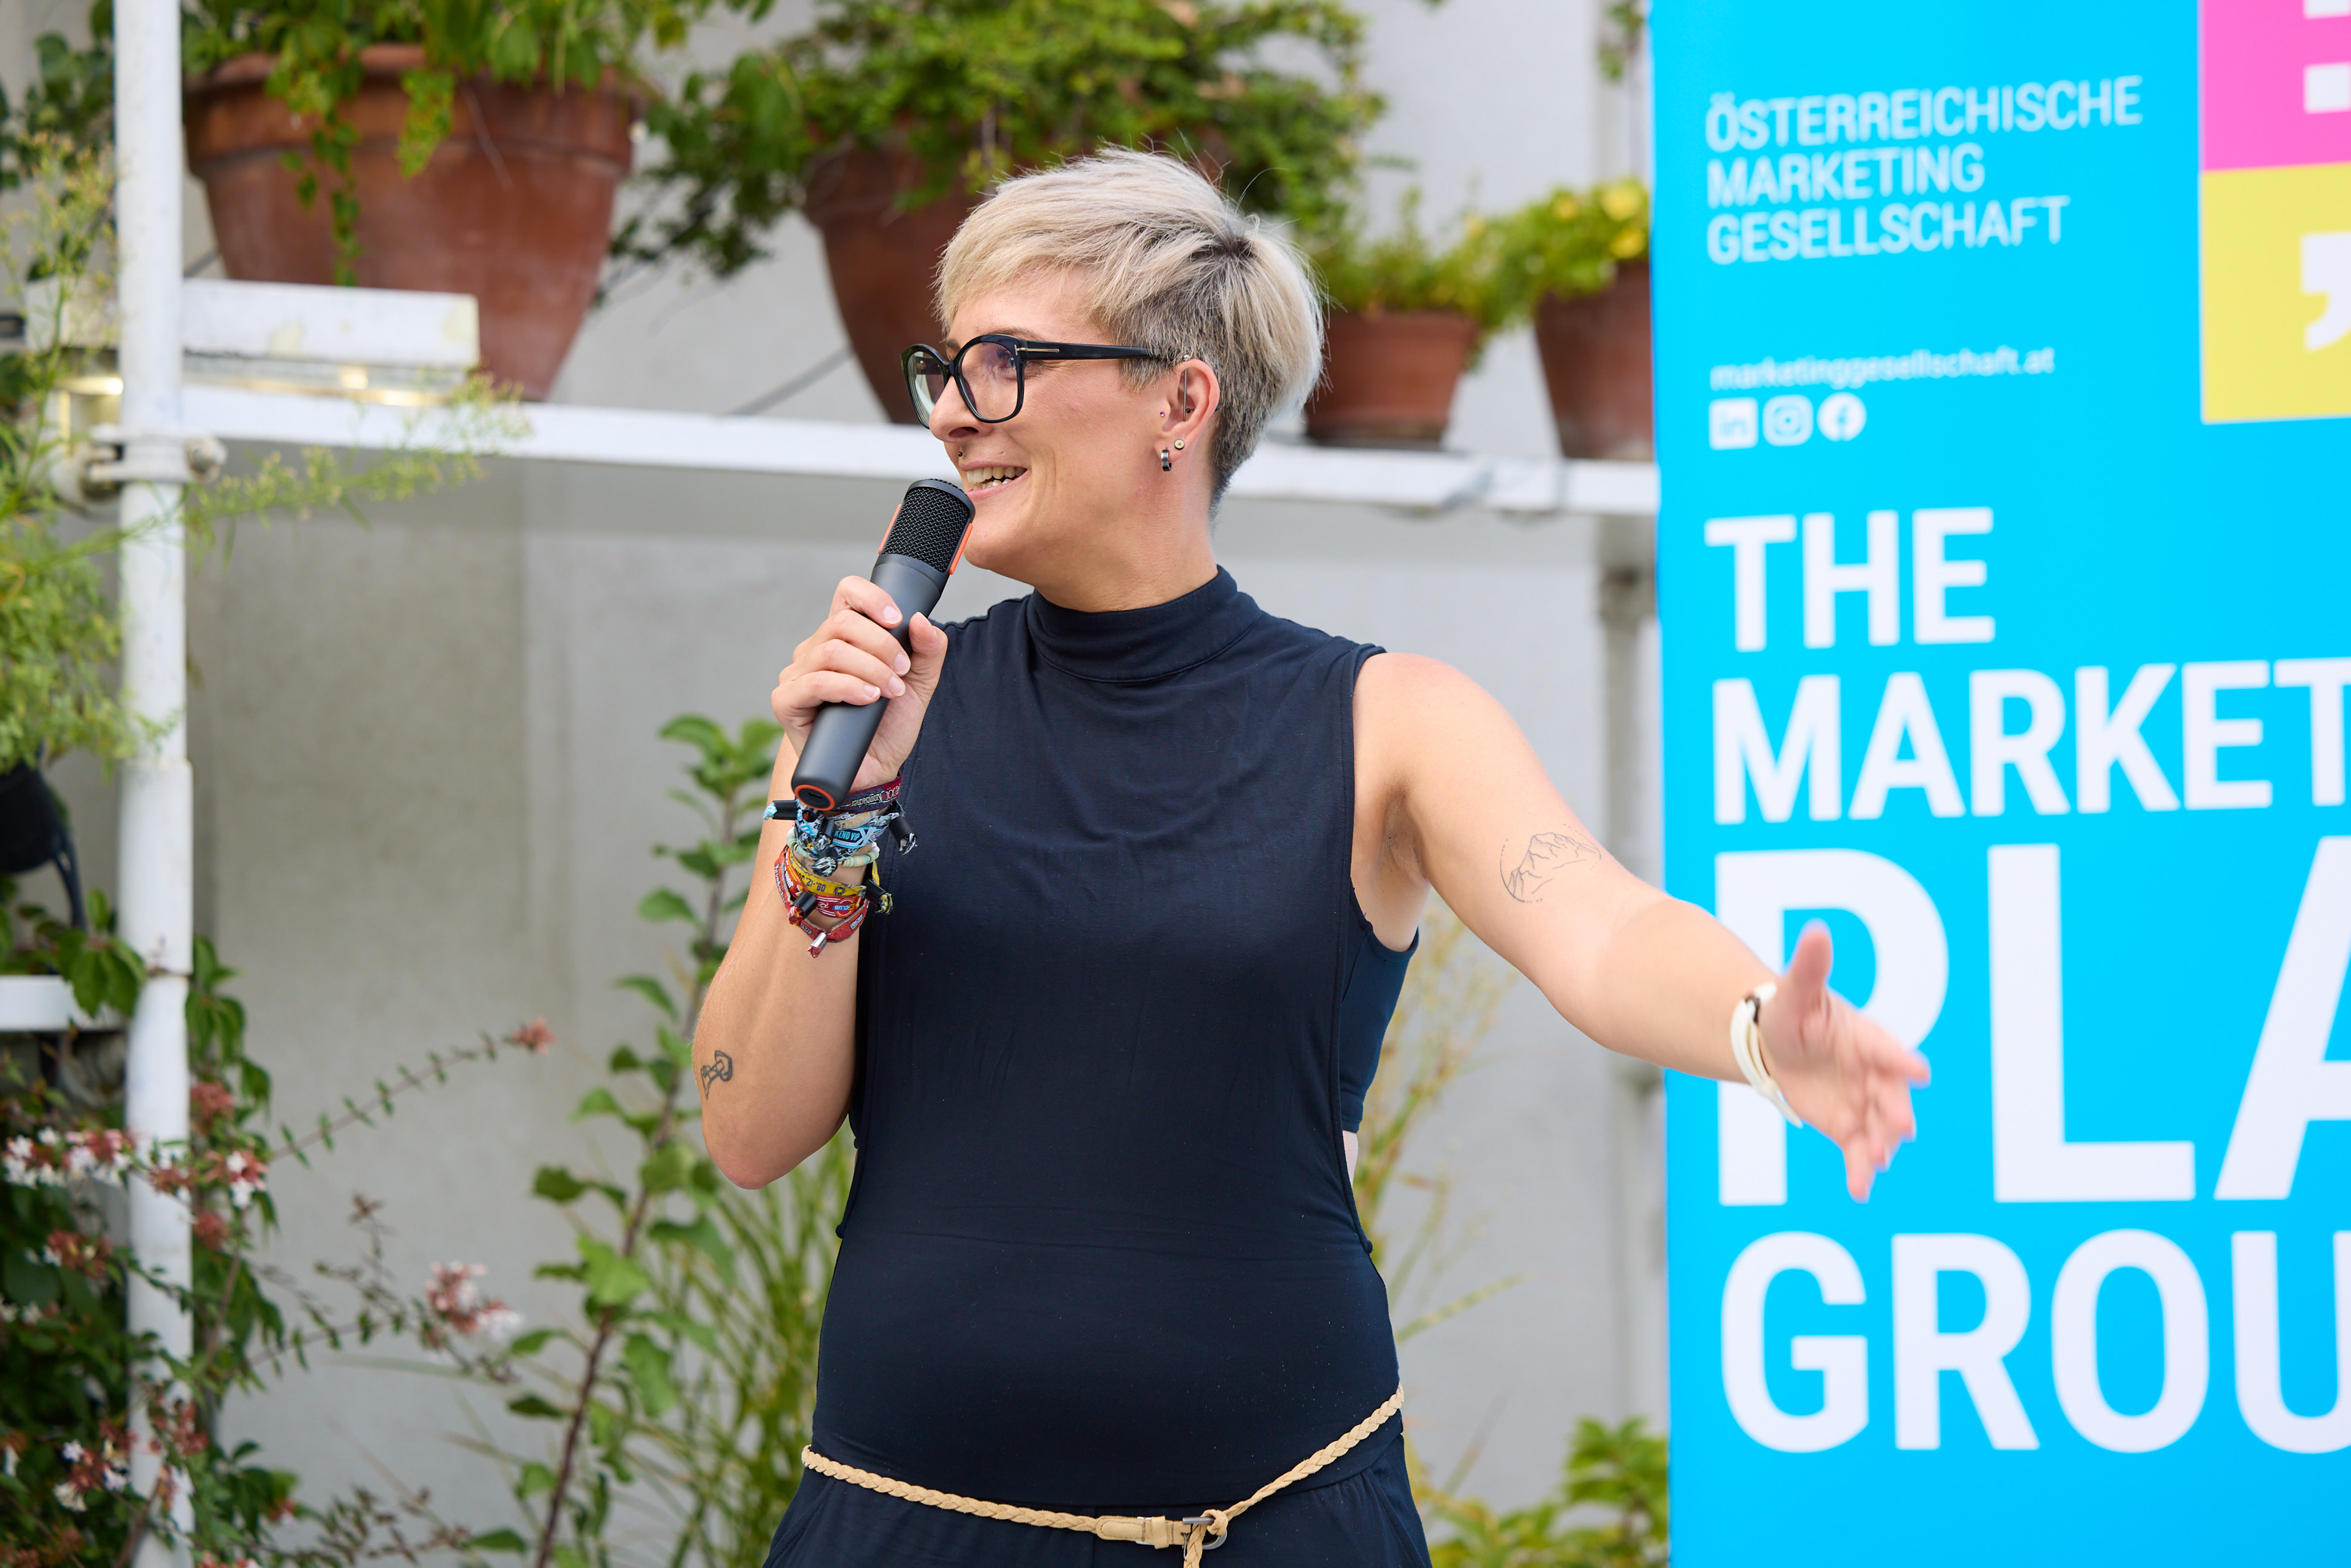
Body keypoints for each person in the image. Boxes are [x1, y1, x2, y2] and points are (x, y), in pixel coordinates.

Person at [695, 150, 1928, 1568]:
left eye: (1004, 364)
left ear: (1180, 400)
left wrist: (1755, 1026)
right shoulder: (877, 719)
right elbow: (747, 1126)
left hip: (1270, 1525)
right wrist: (836, 813)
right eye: (945, 368)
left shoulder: (1384, 718)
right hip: (905, 1525)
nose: (950, 412)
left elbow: (1594, 923)